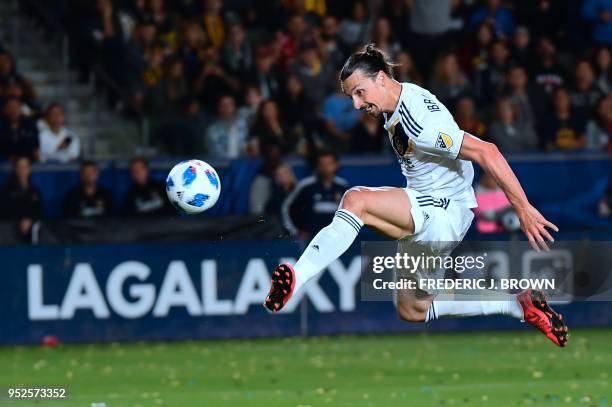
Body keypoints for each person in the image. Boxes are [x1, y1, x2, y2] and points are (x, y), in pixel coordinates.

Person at [264, 45, 568, 348]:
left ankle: (298, 276)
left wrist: (524, 209)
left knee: (357, 201)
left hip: (442, 210)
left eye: (359, 92)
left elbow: (487, 151)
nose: (356, 104)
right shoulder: (398, 99)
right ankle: (517, 306)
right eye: (350, 96)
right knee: (412, 309)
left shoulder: (419, 123)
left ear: (381, 78)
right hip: (431, 206)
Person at [281, 151, 348, 241]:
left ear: (336, 165)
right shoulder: (305, 186)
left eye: (329, 164)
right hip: (309, 240)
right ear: (317, 166)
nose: (326, 168)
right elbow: (286, 208)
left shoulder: (342, 187)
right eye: (322, 164)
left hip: (335, 239)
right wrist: (295, 231)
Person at [0, 156, 43, 241]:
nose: (23, 169)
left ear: (29, 169)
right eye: (20, 166)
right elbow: (4, 212)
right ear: (16, 169)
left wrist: (30, 220)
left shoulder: (34, 191)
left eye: (25, 167)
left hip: (31, 230)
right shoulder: (7, 191)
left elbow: (39, 212)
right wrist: (20, 220)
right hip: (10, 230)